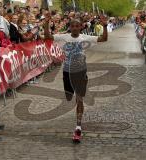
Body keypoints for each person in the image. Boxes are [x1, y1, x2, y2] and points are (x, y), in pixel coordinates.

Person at [44, 11, 108, 142]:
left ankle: (78, 127)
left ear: (81, 27)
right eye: (72, 26)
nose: (74, 28)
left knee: (79, 99)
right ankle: (77, 120)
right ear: (70, 27)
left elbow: (103, 39)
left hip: (80, 72)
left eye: (76, 26)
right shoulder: (64, 37)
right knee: (69, 97)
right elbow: (47, 37)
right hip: (67, 72)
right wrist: (46, 23)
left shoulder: (85, 37)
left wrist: (105, 26)